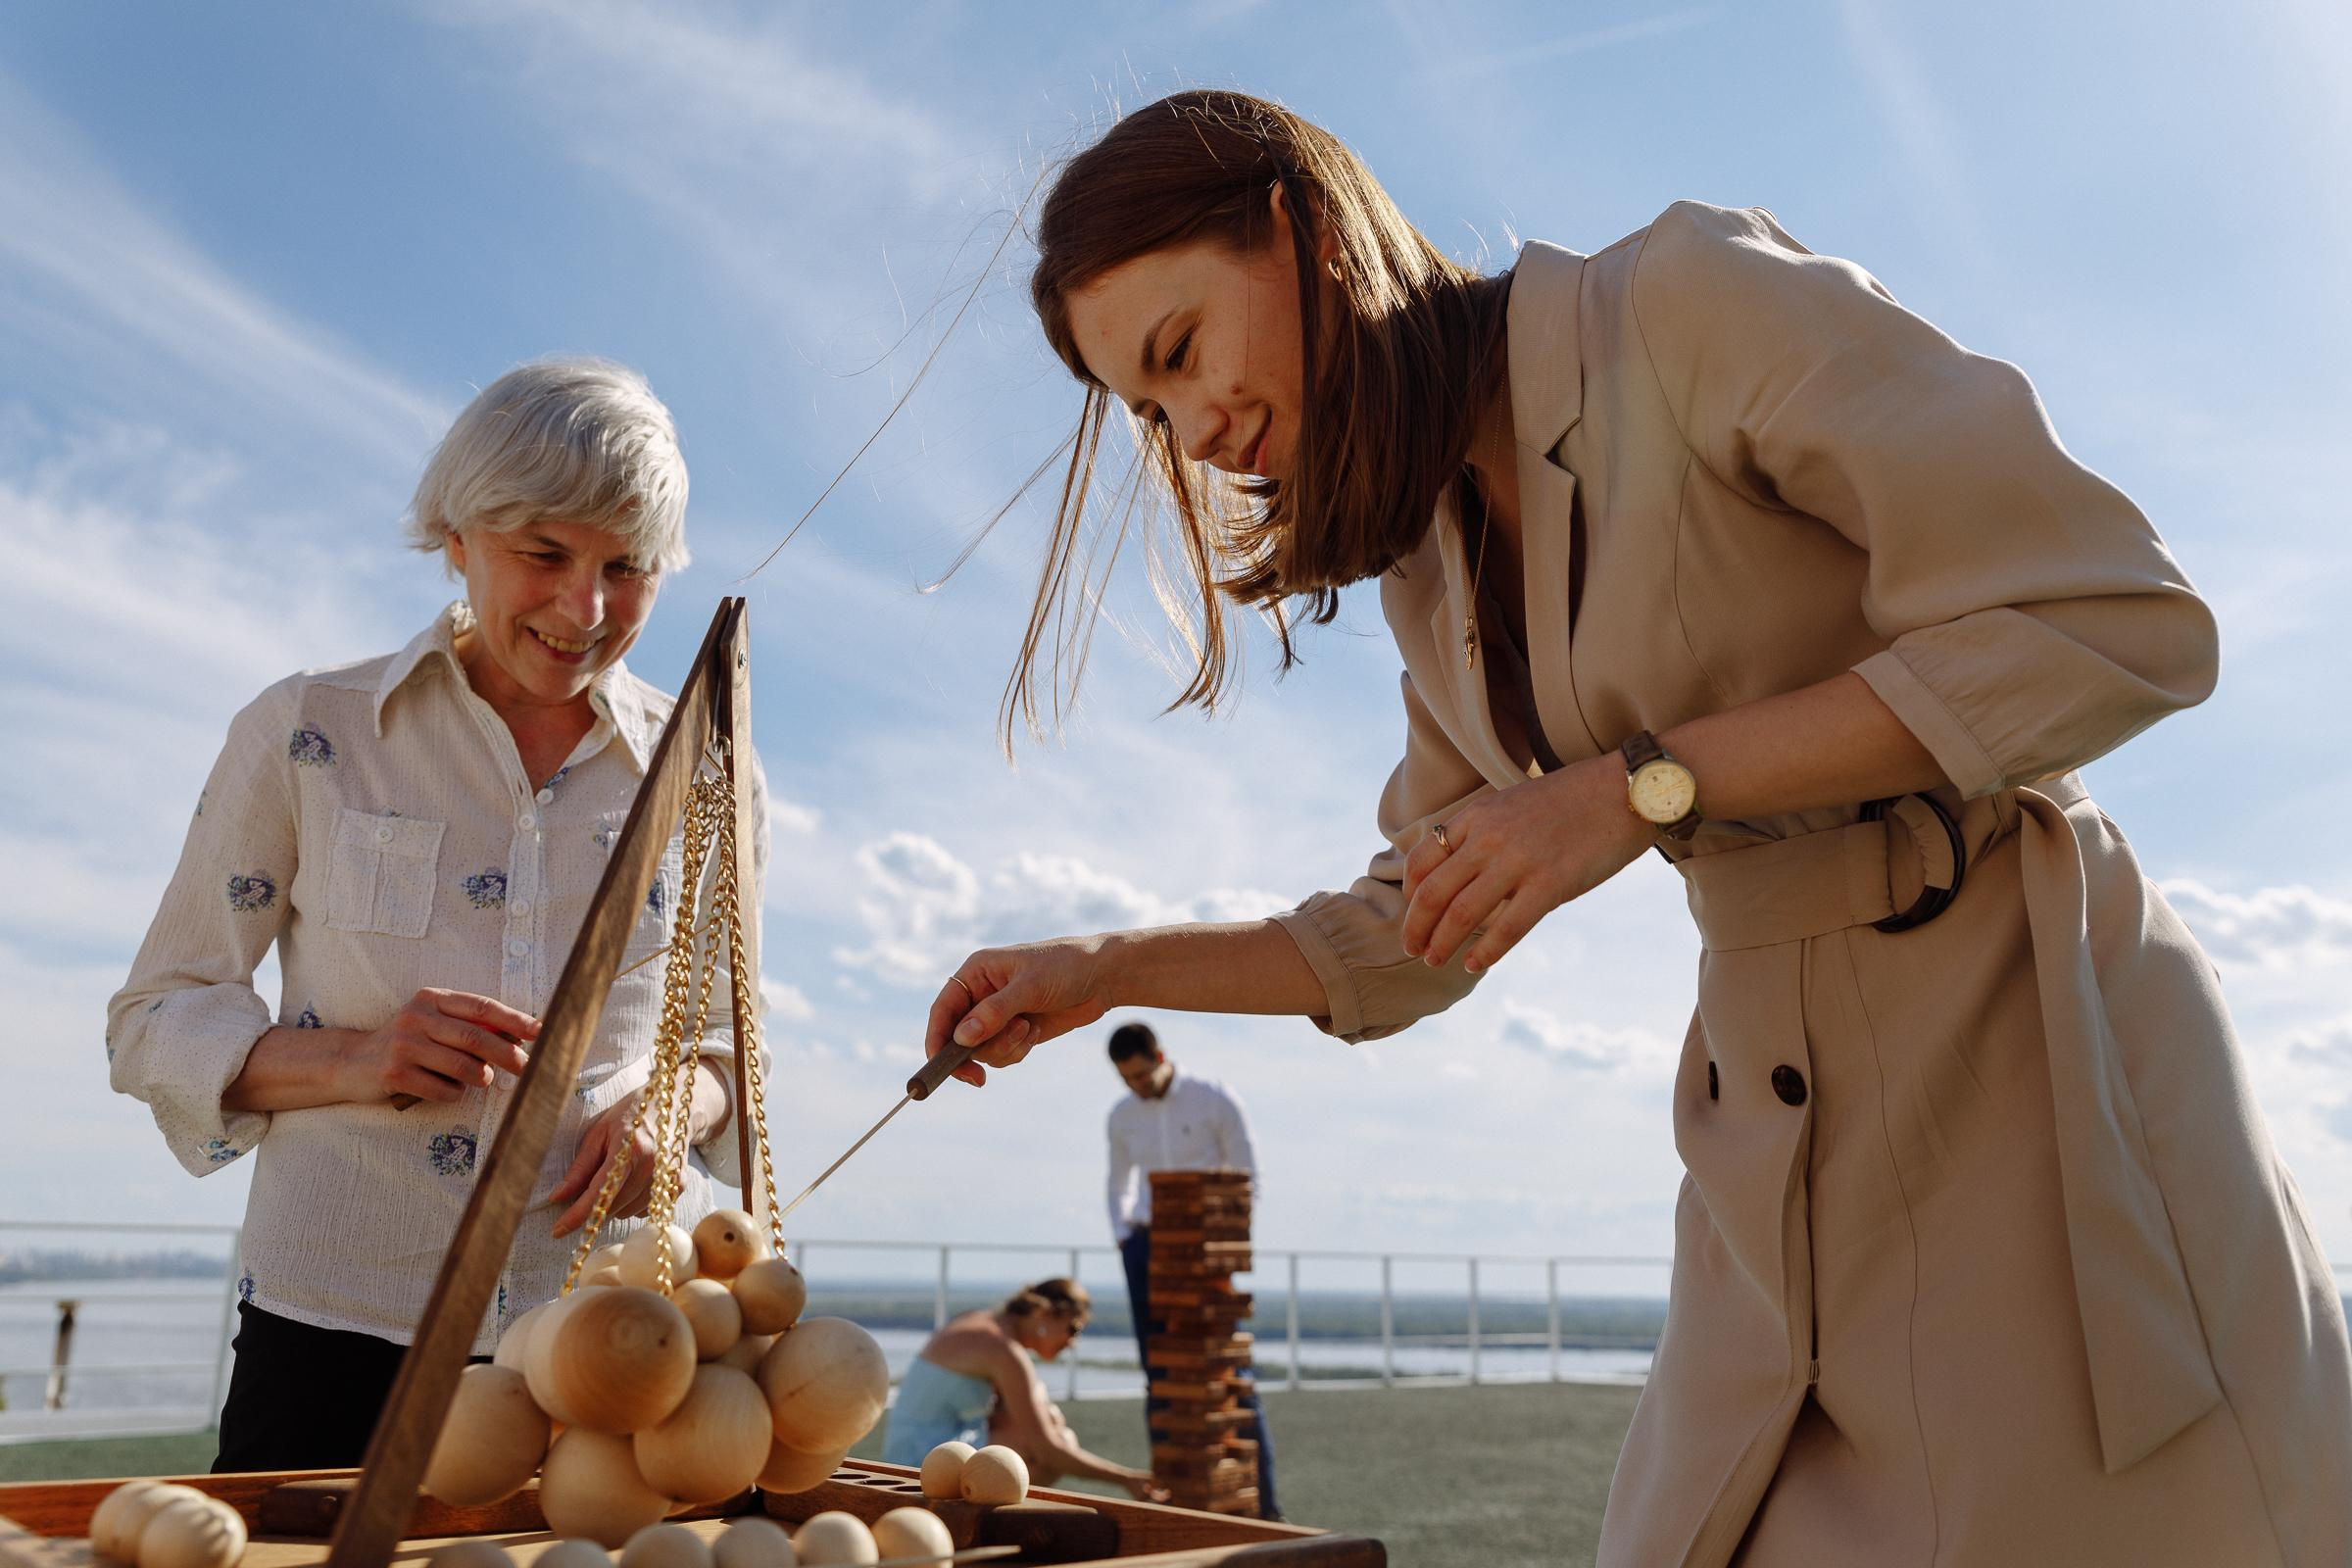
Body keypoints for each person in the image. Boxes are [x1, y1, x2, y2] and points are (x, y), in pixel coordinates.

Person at [918, 90, 2352, 1565]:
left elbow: (2114, 618)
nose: (1196, 430)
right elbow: (1410, 929)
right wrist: (1107, 966)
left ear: (1298, 230)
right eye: (1149, 411)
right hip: (1767, 1150)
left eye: (1180, 350)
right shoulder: (1431, 567)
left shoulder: (1684, 302)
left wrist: (1636, 786)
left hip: (2030, 1075)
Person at [107, 359, 763, 1473]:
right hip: (336, 1327)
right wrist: (357, 1057)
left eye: (628, 569)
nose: (585, 609)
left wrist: (672, 1112)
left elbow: (718, 1038)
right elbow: (155, 1019)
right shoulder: (307, 731)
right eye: (545, 555)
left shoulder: (706, 760)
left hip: (616, 1334)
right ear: (457, 535)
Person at [1102, 1020, 1278, 1519]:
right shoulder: (1120, 1116)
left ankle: (1265, 1509)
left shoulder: (1214, 1098)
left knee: (1228, 1374)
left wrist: (1229, 1244)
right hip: (1146, 1249)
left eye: (1140, 1075)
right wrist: (1124, 1238)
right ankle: (1173, 1505)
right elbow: (1117, 1185)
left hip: (1207, 1249)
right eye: (1126, 1080)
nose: (1136, 1087)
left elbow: (1247, 1174)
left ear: (1159, 1056)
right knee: (1159, 1373)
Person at [880, 1278, 1161, 1499]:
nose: (1072, 1342)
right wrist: (1126, 1478)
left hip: (914, 1453)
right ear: (1044, 1314)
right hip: (923, 1467)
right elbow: (1049, 1450)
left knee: (1050, 1422)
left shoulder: (984, 1324)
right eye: (1073, 1328)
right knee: (1056, 1442)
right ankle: (989, 1524)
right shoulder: (1004, 1351)